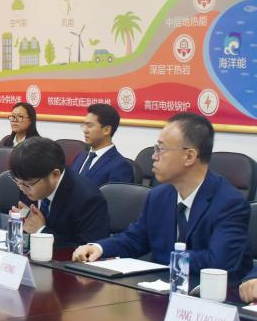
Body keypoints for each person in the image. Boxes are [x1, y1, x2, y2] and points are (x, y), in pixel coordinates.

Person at [73, 113, 251, 280]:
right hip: (161, 289)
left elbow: (218, 262)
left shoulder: (229, 203)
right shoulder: (159, 196)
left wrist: (167, 257)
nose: (154, 156)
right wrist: (99, 248)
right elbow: (137, 238)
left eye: (161, 149)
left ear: (189, 156)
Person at [9, 136, 109, 247]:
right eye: (17, 181)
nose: (21, 188)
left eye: (27, 184)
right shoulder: (27, 182)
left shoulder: (88, 199)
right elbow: (27, 227)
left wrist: (41, 231)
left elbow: (88, 250)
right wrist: (20, 223)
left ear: (55, 175)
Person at [71, 103, 134, 186]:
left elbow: (114, 194)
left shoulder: (121, 166)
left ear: (106, 130)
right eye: (84, 125)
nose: (85, 130)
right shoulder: (81, 156)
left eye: (89, 126)